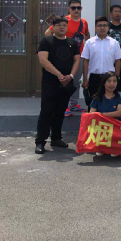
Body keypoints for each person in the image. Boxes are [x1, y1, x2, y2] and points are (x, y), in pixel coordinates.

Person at [36, 16, 81, 155]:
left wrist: (71, 76)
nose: (62, 27)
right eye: (59, 25)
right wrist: (59, 75)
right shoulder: (46, 41)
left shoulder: (72, 42)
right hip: (50, 82)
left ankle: (56, 138)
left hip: (66, 82)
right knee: (46, 111)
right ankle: (40, 141)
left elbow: (77, 60)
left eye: (64, 25)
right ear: (53, 27)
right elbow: (43, 60)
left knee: (60, 111)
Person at [46, 0, 90, 116]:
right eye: (73, 8)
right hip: (64, 56)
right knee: (63, 80)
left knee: (75, 81)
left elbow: (86, 35)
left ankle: (73, 104)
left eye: (78, 8)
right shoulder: (64, 21)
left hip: (78, 56)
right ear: (69, 9)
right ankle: (63, 105)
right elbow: (48, 33)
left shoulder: (83, 22)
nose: (76, 10)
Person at [81, 17, 121, 111]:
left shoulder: (114, 43)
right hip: (94, 78)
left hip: (109, 78)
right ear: (95, 27)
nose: (102, 28)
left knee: (110, 104)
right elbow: (85, 61)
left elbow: (118, 61)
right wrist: (85, 79)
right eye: (99, 25)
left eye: (105, 25)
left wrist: (116, 78)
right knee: (93, 104)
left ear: (108, 27)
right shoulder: (89, 42)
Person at [90, 71, 121, 157]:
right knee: (100, 153)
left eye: (114, 81)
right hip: (102, 128)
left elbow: (119, 113)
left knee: (114, 154)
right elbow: (92, 113)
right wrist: (99, 115)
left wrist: (101, 114)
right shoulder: (97, 97)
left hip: (115, 127)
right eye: (109, 81)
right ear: (104, 83)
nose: (112, 84)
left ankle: (114, 146)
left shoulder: (120, 96)